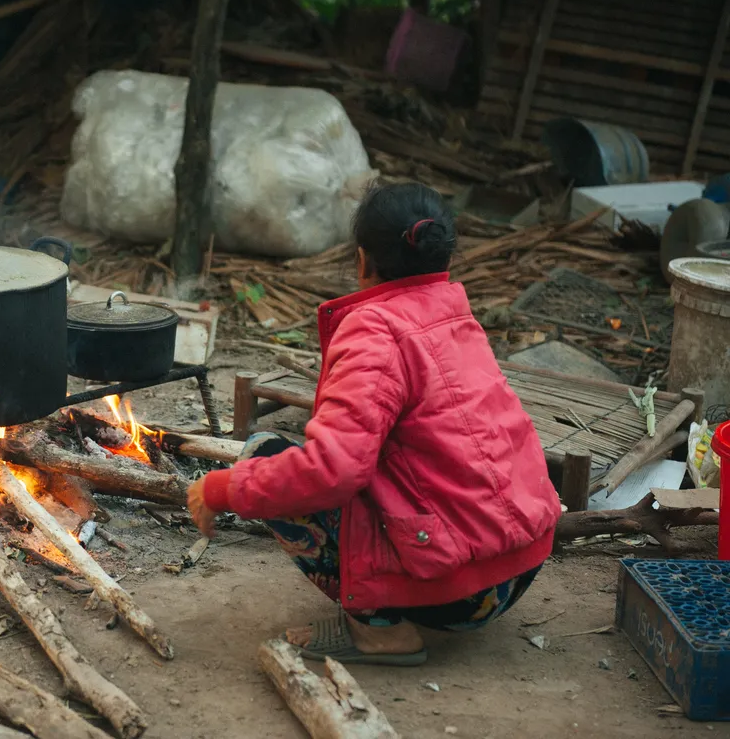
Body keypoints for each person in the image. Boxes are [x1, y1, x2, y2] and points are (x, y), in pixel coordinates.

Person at [188, 181, 560, 667]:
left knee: (262, 452)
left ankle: (381, 631)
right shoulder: (453, 313)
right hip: (520, 564)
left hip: (461, 594)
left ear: (362, 261)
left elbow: (332, 471)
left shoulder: (375, 331)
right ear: (441, 255)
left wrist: (221, 488)